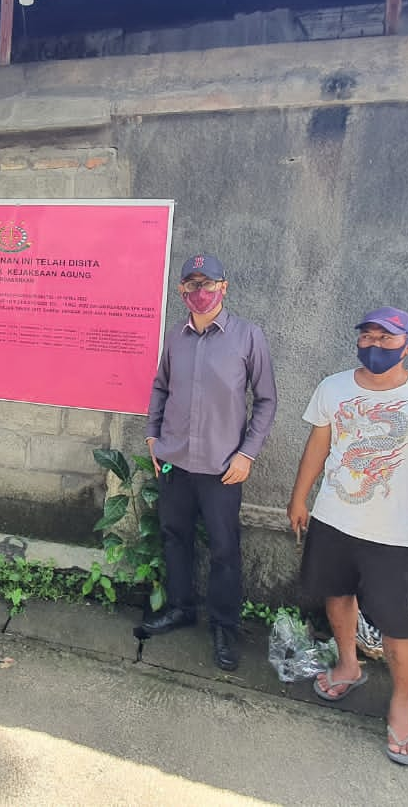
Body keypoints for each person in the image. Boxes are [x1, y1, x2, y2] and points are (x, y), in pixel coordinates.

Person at [287, 307, 408, 768]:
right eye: (368, 337)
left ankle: (401, 706)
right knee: (336, 596)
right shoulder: (334, 387)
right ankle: (348, 663)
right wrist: (300, 497)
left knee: (398, 623)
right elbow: (319, 444)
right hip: (333, 518)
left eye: (387, 338)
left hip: (395, 535)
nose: (375, 346)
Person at [140, 254, 277, 671]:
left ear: (224, 286)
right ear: (181, 290)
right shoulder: (175, 338)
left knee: (223, 550)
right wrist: (152, 434)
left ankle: (223, 626)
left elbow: (267, 400)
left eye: (208, 283)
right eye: (191, 284)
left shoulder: (248, 337)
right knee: (174, 537)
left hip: (222, 468)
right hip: (175, 462)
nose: (200, 292)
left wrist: (247, 453)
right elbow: (160, 387)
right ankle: (181, 608)